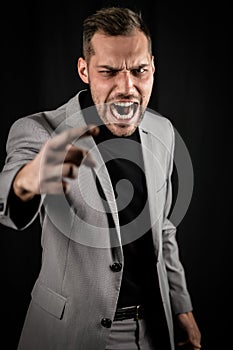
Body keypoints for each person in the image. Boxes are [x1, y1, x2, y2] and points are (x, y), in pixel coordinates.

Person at [0, 7, 201, 350]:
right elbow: (11, 189)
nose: (127, 87)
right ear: (84, 70)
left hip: (152, 330)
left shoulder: (163, 132)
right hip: (68, 336)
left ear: (152, 66)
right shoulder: (39, 130)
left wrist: (182, 308)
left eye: (139, 71)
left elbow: (163, 229)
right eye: (108, 71)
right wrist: (31, 178)